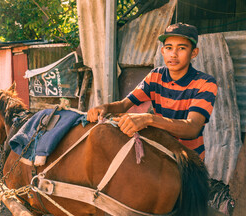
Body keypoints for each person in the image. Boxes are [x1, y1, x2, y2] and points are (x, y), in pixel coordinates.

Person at [87, 23, 218, 160]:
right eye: (169, 48)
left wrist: (148, 119)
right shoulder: (156, 76)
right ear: (163, 51)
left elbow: (192, 128)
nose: (173, 54)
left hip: (189, 160)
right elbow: (124, 105)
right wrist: (104, 107)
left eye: (182, 48)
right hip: (160, 153)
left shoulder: (205, 83)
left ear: (194, 53)